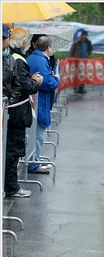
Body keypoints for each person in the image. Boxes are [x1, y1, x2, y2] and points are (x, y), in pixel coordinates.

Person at [4, 27, 43, 197]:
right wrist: (35, 83)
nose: (27, 43)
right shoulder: (17, 59)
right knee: (12, 151)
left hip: (13, 111)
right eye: (25, 40)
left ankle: (10, 186)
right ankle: (11, 187)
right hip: (15, 112)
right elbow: (22, 86)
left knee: (12, 151)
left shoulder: (12, 57)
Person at [26, 36, 60, 174]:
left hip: (36, 101)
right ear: (48, 48)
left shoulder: (33, 57)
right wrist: (56, 78)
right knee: (38, 134)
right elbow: (47, 83)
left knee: (35, 134)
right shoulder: (41, 60)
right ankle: (34, 163)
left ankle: (34, 160)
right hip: (40, 102)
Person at [69, 30, 93, 94]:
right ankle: (75, 88)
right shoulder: (77, 42)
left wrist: (88, 53)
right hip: (77, 60)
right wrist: (72, 59)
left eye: (86, 36)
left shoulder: (88, 42)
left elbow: (90, 49)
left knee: (83, 74)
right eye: (84, 35)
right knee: (76, 74)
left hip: (84, 61)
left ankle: (81, 88)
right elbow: (72, 50)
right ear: (82, 35)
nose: (85, 37)